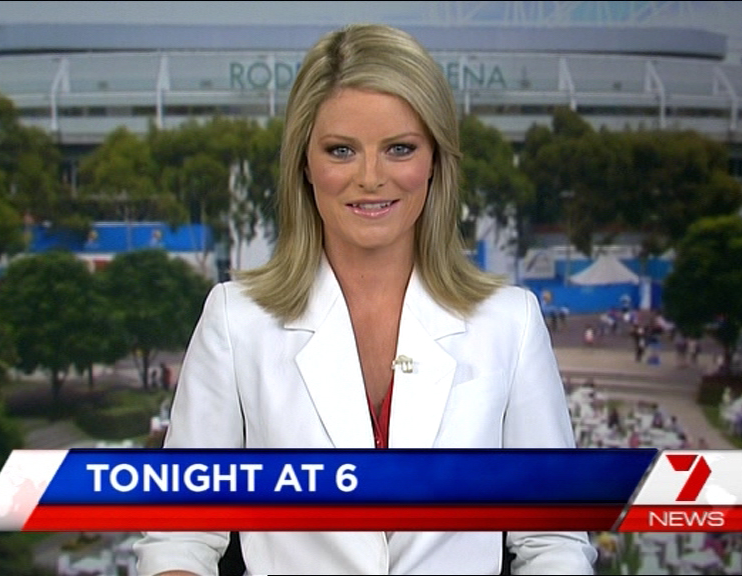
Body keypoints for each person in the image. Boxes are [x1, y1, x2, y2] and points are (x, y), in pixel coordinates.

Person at [134, 23, 594, 576]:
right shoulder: (236, 321)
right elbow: (180, 534)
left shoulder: (509, 323)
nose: (370, 178)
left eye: (400, 149)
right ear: (305, 163)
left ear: (435, 161)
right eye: (341, 150)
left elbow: (553, 540)